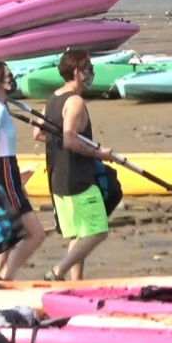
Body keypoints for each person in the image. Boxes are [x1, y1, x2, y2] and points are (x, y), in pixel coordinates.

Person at [36, 49, 113, 281]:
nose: (91, 73)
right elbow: (69, 139)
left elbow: (38, 133)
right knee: (98, 230)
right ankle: (58, 271)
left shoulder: (53, 98)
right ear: (78, 72)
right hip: (77, 179)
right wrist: (98, 153)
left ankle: (76, 285)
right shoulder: (75, 101)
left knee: (79, 235)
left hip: (58, 177)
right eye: (88, 68)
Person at [0, 61, 45, 280]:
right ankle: (6, 278)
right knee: (36, 234)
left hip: (8, 171)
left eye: (9, 75)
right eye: (5, 76)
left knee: (6, 235)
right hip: (2, 172)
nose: (10, 79)